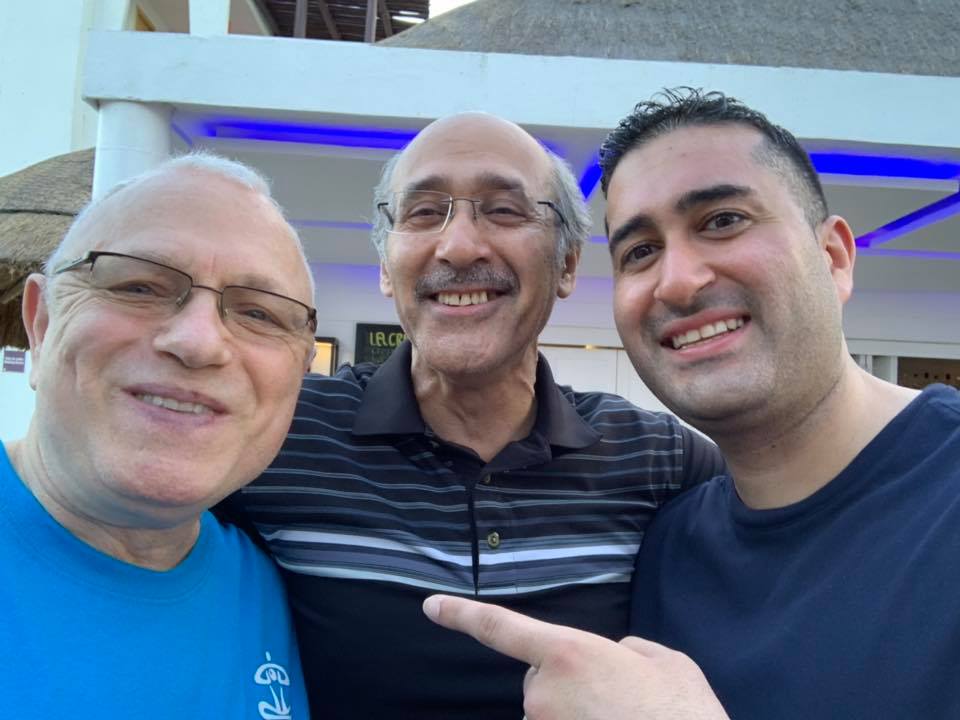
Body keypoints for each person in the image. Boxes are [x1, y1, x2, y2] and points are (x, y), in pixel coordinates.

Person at [422, 89, 960, 719]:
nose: (678, 281)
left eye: (722, 221)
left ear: (834, 257)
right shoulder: (668, 544)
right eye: (640, 252)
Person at [221, 111, 726, 719]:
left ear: (567, 264)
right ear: (385, 267)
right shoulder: (281, 432)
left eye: (505, 210)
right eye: (423, 212)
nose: (459, 246)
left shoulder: (659, 459)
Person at [1, 154, 316, 718]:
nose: (198, 342)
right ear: (41, 323)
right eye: (140, 286)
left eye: (260, 314)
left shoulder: (278, 585)